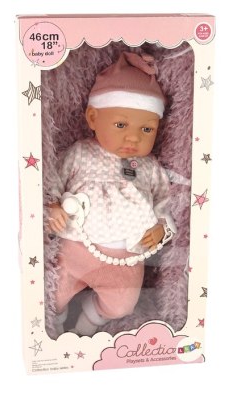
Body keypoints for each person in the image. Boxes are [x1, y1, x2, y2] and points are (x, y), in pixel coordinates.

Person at [47, 52, 176, 336]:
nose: (133, 137)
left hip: (125, 256)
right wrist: (53, 204)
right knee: (53, 293)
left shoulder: (148, 166)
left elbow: (164, 200)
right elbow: (53, 178)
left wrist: (162, 228)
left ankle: (88, 322)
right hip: (76, 248)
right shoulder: (80, 153)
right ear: (93, 117)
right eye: (121, 125)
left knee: (122, 305)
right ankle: (56, 323)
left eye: (146, 129)